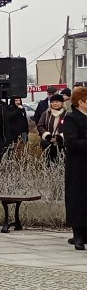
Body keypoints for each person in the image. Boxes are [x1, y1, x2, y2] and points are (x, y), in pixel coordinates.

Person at [62, 87, 87, 250]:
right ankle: (78, 234)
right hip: (78, 166)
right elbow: (71, 141)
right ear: (81, 102)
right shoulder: (71, 119)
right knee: (78, 198)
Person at [39, 94, 67, 164]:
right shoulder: (46, 114)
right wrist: (47, 135)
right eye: (53, 102)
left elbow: (70, 128)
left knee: (62, 163)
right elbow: (40, 125)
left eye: (57, 102)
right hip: (48, 143)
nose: (55, 104)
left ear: (62, 103)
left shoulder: (67, 114)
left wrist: (61, 137)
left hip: (62, 144)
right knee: (49, 163)